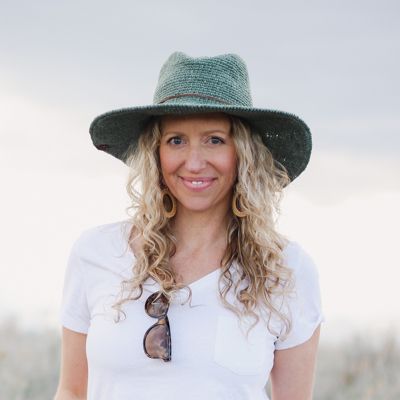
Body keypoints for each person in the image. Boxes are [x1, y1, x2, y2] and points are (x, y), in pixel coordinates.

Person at [54, 52, 325, 400]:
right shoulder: (96, 253)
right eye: (176, 140)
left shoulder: (287, 270)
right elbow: (72, 391)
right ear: (156, 152)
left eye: (214, 139)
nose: (194, 163)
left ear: (243, 152)